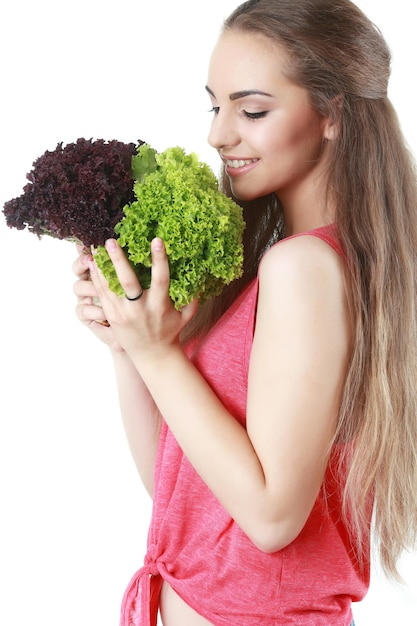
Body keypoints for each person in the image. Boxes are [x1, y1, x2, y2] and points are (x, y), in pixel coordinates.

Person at [73, 1, 417, 624]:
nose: (218, 134)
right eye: (216, 105)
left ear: (333, 112)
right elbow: (187, 497)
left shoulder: (303, 269)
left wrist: (158, 354)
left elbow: (271, 518)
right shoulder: (291, 268)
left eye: (252, 110)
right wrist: (133, 347)